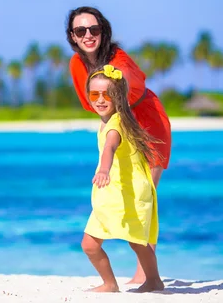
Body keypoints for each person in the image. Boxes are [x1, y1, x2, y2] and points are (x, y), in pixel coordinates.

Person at [66, 6, 172, 284]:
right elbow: (88, 98)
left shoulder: (118, 57)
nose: (88, 35)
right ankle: (145, 275)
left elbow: (129, 80)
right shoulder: (76, 64)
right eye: (81, 30)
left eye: (94, 29)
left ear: (103, 31)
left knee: (143, 198)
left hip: (146, 120)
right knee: (124, 192)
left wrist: (116, 89)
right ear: (73, 36)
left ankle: (146, 275)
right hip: (115, 119)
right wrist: (107, 114)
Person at [82, 64, 164, 293]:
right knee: (89, 244)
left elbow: (110, 147)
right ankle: (110, 283)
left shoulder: (116, 125)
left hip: (130, 191)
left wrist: (103, 170)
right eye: (94, 94)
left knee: (137, 242)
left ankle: (154, 281)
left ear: (118, 97)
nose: (100, 99)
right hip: (112, 193)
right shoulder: (108, 121)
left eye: (107, 94)